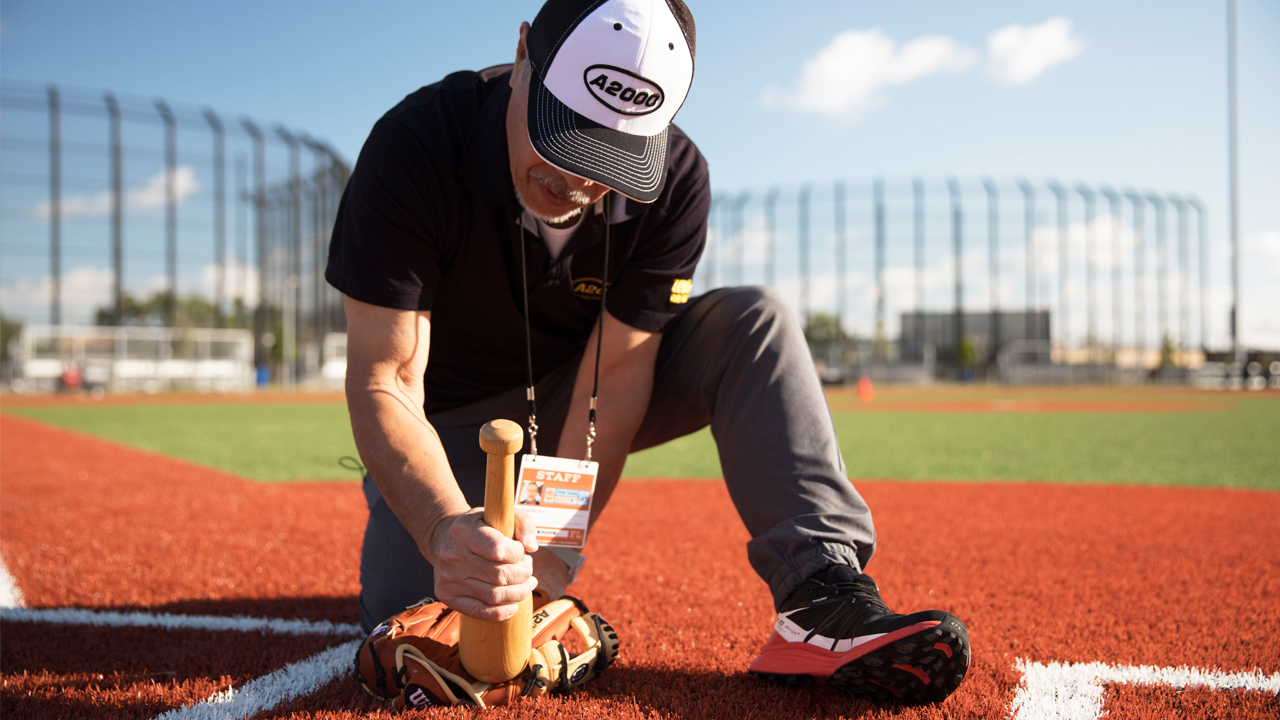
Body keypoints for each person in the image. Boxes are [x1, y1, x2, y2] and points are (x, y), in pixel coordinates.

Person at [326, 0, 969, 705]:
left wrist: (552, 548)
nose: (578, 181)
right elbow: (387, 379)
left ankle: (821, 595)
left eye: (613, 156)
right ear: (521, 58)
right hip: (447, 422)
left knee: (754, 321)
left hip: (581, 388)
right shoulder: (415, 145)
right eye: (566, 137)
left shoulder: (678, 180)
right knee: (415, 621)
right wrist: (445, 527)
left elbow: (618, 375)